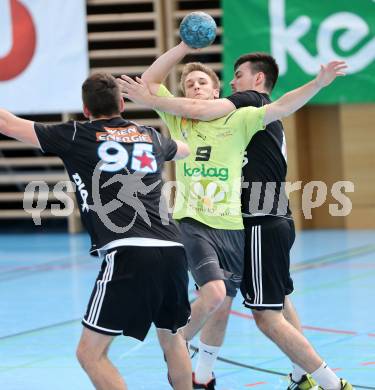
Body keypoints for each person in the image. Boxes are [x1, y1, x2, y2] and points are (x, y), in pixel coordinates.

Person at [118, 42, 351, 390]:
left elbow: (284, 104)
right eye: (190, 84)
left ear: (218, 90)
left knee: (266, 309)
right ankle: (194, 365)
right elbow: (151, 82)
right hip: (202, 223)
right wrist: (182, 46)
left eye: (204, 82)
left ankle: (312, 378)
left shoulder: (243, 113)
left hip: (244, 223)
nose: (198, 87)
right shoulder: (182, 121)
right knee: (225, 298)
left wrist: (317, 84)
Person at [0, 73, 193, 390]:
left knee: (90, 354)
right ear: (121, 103)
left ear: (85, 110)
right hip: (173, 249)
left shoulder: (76, 134)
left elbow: (7, 123)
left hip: (129, 252)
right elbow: (182, 149)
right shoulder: (151, 136)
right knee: (173, 339)